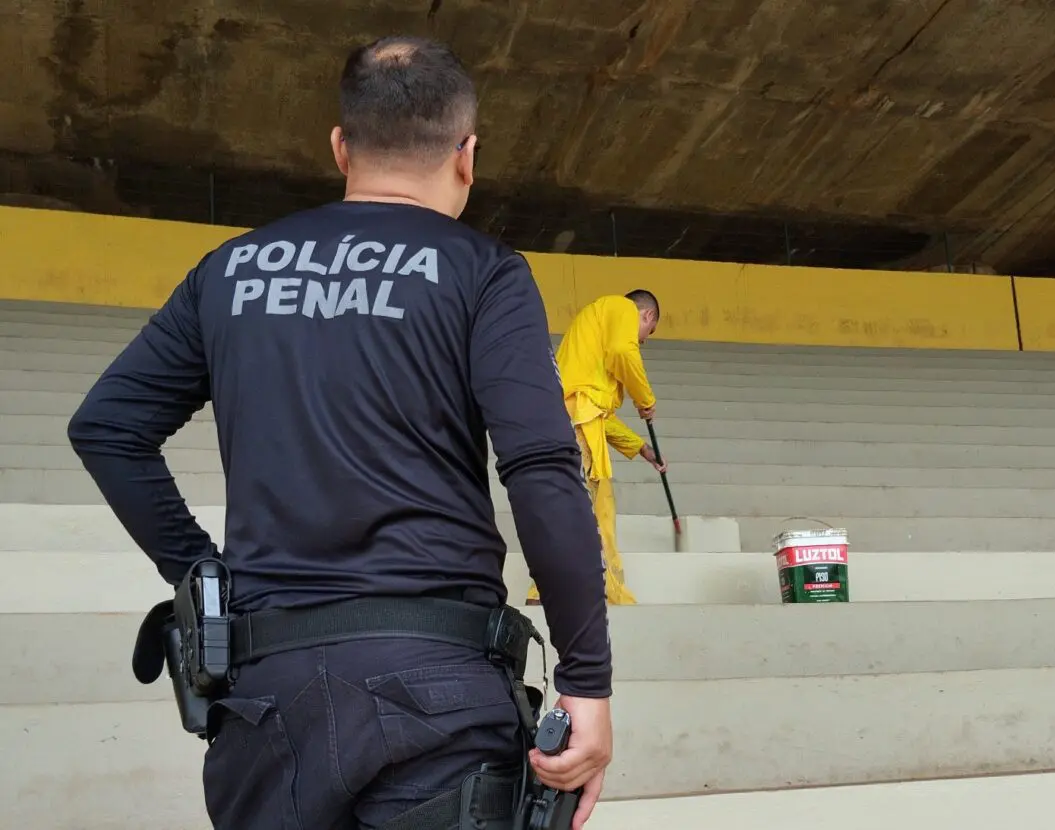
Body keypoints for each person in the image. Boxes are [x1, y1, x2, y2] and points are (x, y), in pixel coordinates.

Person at [67, 36, 612, 830]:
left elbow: (107, 428)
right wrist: (585, 680)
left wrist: (202, 576)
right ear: (466, 154)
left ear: (339, 145)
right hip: (439, 688)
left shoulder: (230, 270)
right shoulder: (484, 271)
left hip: (267, 697)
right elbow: (537, 465)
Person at [525, 291, 666, 608]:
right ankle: (561, 594)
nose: (642, 341)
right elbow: (623, 351)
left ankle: (542, 593)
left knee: (575, 510)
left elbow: (597, 411)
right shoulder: (622, 307)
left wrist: (641, 447)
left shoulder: (592, 339)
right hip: (575, 425)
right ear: (647, 316)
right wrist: (645, 399)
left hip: (570, 421)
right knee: (582, 512)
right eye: (648, 333)